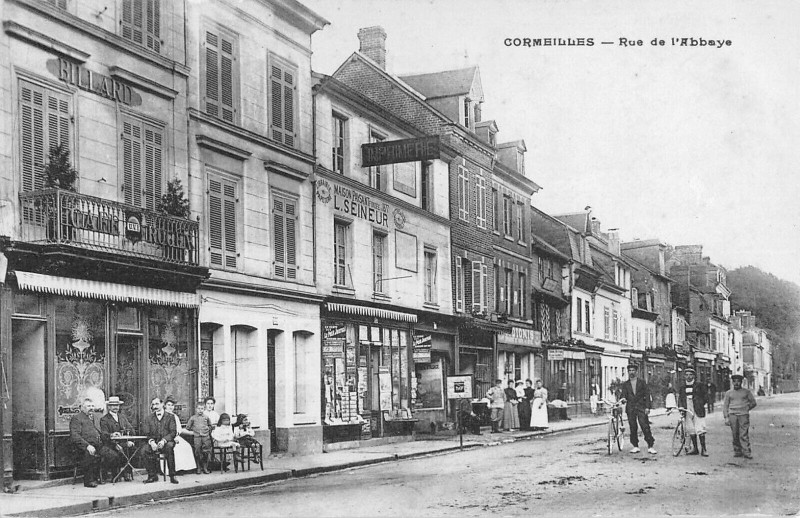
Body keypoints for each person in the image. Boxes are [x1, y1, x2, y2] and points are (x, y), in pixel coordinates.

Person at [70, 398, 110, 487]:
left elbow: (100, 432)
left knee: (112, 455)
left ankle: (102, 476)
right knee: (89, 454)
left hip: (97, 445)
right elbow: (75, 436)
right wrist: (87, 446)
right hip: (82, 448)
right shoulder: (77, 418)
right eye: (88, 406)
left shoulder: (95, 417)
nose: (91, 408)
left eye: (92, 406)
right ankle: (89, 481)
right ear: (82, 408)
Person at [618, 365, 656, 454]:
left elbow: (647, 395)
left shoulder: (642, 383)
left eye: (633, 370)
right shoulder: (626, 384)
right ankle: (635, 445)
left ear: (636, 372)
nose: (631, 372)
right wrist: (623, 399)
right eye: (630, 370)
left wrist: (647, 407)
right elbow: (623, 395)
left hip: (641, 407)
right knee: (633, 427)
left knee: (645, 425)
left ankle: (650, 445)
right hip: (631, 408)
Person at [141, 396, 178, 484]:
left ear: (162, 404)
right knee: (144, 450)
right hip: (154, 442)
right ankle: (152, 475)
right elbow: (147, 433)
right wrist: (152, 442)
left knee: (169, 448)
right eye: (153, 404)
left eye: (157, 404)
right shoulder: (149, 418)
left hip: (166, 442)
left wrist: (164, 440)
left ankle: (172, 475)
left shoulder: (170, 417)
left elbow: (173, 432)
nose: (155, 406)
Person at [99, 396, 135, 481]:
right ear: (109, 407)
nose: (115, 407)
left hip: (123, 442)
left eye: (117, 405)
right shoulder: (104, 419)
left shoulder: (122, 417)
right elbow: (104, 435)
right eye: (113, 405)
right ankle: (115, 475)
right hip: (110, 444)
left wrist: (129, 438)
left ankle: (127, 473)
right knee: (114, 454)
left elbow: (131, 429)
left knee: (132, 449)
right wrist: (112, 435)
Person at [723, 374, 757, 459]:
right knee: (735, 434)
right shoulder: (729, 393)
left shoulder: (746, 392)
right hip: (733, 415)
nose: (736, 383)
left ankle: (746, 452)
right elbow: (725, 406)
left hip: (743, 415)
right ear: (732, 382)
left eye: (738, 381)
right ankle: (737, 451)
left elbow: (753, 403)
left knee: (743, 434)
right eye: (734, 381)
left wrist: (746, 409)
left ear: (741, 382)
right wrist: (726, 417)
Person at [678, 368, 709, 456]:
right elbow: (680, 398)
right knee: (690, 428)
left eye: (690, 375)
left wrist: (700, 403)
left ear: (694, 376)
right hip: (687, 408)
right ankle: (695, 448)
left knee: (700, 428)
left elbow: (706, 396)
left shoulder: (700, 385)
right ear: (684, 376)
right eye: (686, 375)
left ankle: (704, 449)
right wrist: (681, 407)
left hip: (697, 408)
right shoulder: (682, 387)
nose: (688, 376)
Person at [164, 397, 197, 474]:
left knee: (186, 446)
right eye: (168, 405)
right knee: (176, 448)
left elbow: (179, 429)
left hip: (176, 436)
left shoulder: (174, 416)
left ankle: (183, 468)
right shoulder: (163, 416)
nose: (170, 407)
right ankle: (174, 469)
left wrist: (193, 433)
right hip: (166, 437)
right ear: (165, 406)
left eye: (172, 405)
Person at [186, 401, 213, 474]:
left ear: (204, 409)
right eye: (199, 408)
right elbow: (188, 427)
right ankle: (198, 467)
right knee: (197, 452)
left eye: (202, 409)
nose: (200, 410)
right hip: (197, 437)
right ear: (196, 409)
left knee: (206, 452)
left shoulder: (206, 417)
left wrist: (208, 429)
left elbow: (210, 426)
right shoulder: (193, 418)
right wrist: (195, 430)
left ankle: (205, 467)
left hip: (205, 437)